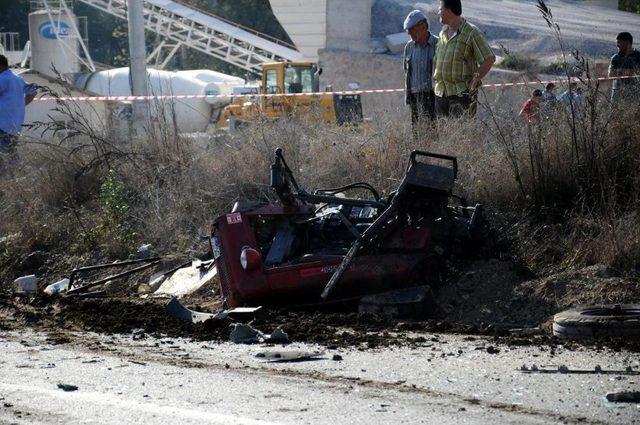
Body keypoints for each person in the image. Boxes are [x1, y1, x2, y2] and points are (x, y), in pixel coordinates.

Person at [433, 0, 496, 118]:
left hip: (461, 96)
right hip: (441, 94)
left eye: (440, 9)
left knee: (461, 135)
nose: (438, 12)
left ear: (449, 11)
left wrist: (475, 80)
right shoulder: (443, 33)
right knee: (444, 135)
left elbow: (489, 58)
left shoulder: (472, 32)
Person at [402, 10, 438, 132]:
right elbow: (407, 72)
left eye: (412, 30)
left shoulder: (438, 44)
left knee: (434, 132)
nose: (410, 34)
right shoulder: (409, 47)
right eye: (408, 31)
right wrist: (409, 98)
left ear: (423, 26)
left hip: (433, 97)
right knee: (417, 134)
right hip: (415, 98)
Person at [0, 55, 36, 153]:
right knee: (10, 156)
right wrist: (20, 105)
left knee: (4, 158)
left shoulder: (2, 79)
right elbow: (33, 91)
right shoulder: (18, 79)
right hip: (15, 126)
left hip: (2, 126)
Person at [608, 32, 640, 105]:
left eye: (619, 42)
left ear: (627, 43)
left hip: (635, 94)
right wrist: (631, 72)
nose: (617, 45)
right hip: (617, 95)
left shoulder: (638, 57)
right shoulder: (615, 58)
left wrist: (620, 71)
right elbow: (610, 74)